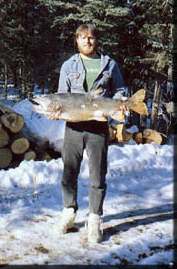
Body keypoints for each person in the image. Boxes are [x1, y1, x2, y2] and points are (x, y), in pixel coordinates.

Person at [54, 24, 126, 243]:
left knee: (98, 175)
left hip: (98, 127)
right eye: (83, 38)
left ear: (97, 41)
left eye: (91, 38)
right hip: (73, 127)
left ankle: (94, 218)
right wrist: (57, 112)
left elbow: (120, 91)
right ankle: (68, 211)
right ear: (76, 40)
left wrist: (122, 102)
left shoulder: (110, 64)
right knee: (69, 173)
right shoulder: (69, 65)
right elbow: (61, 96)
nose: (87, 41)